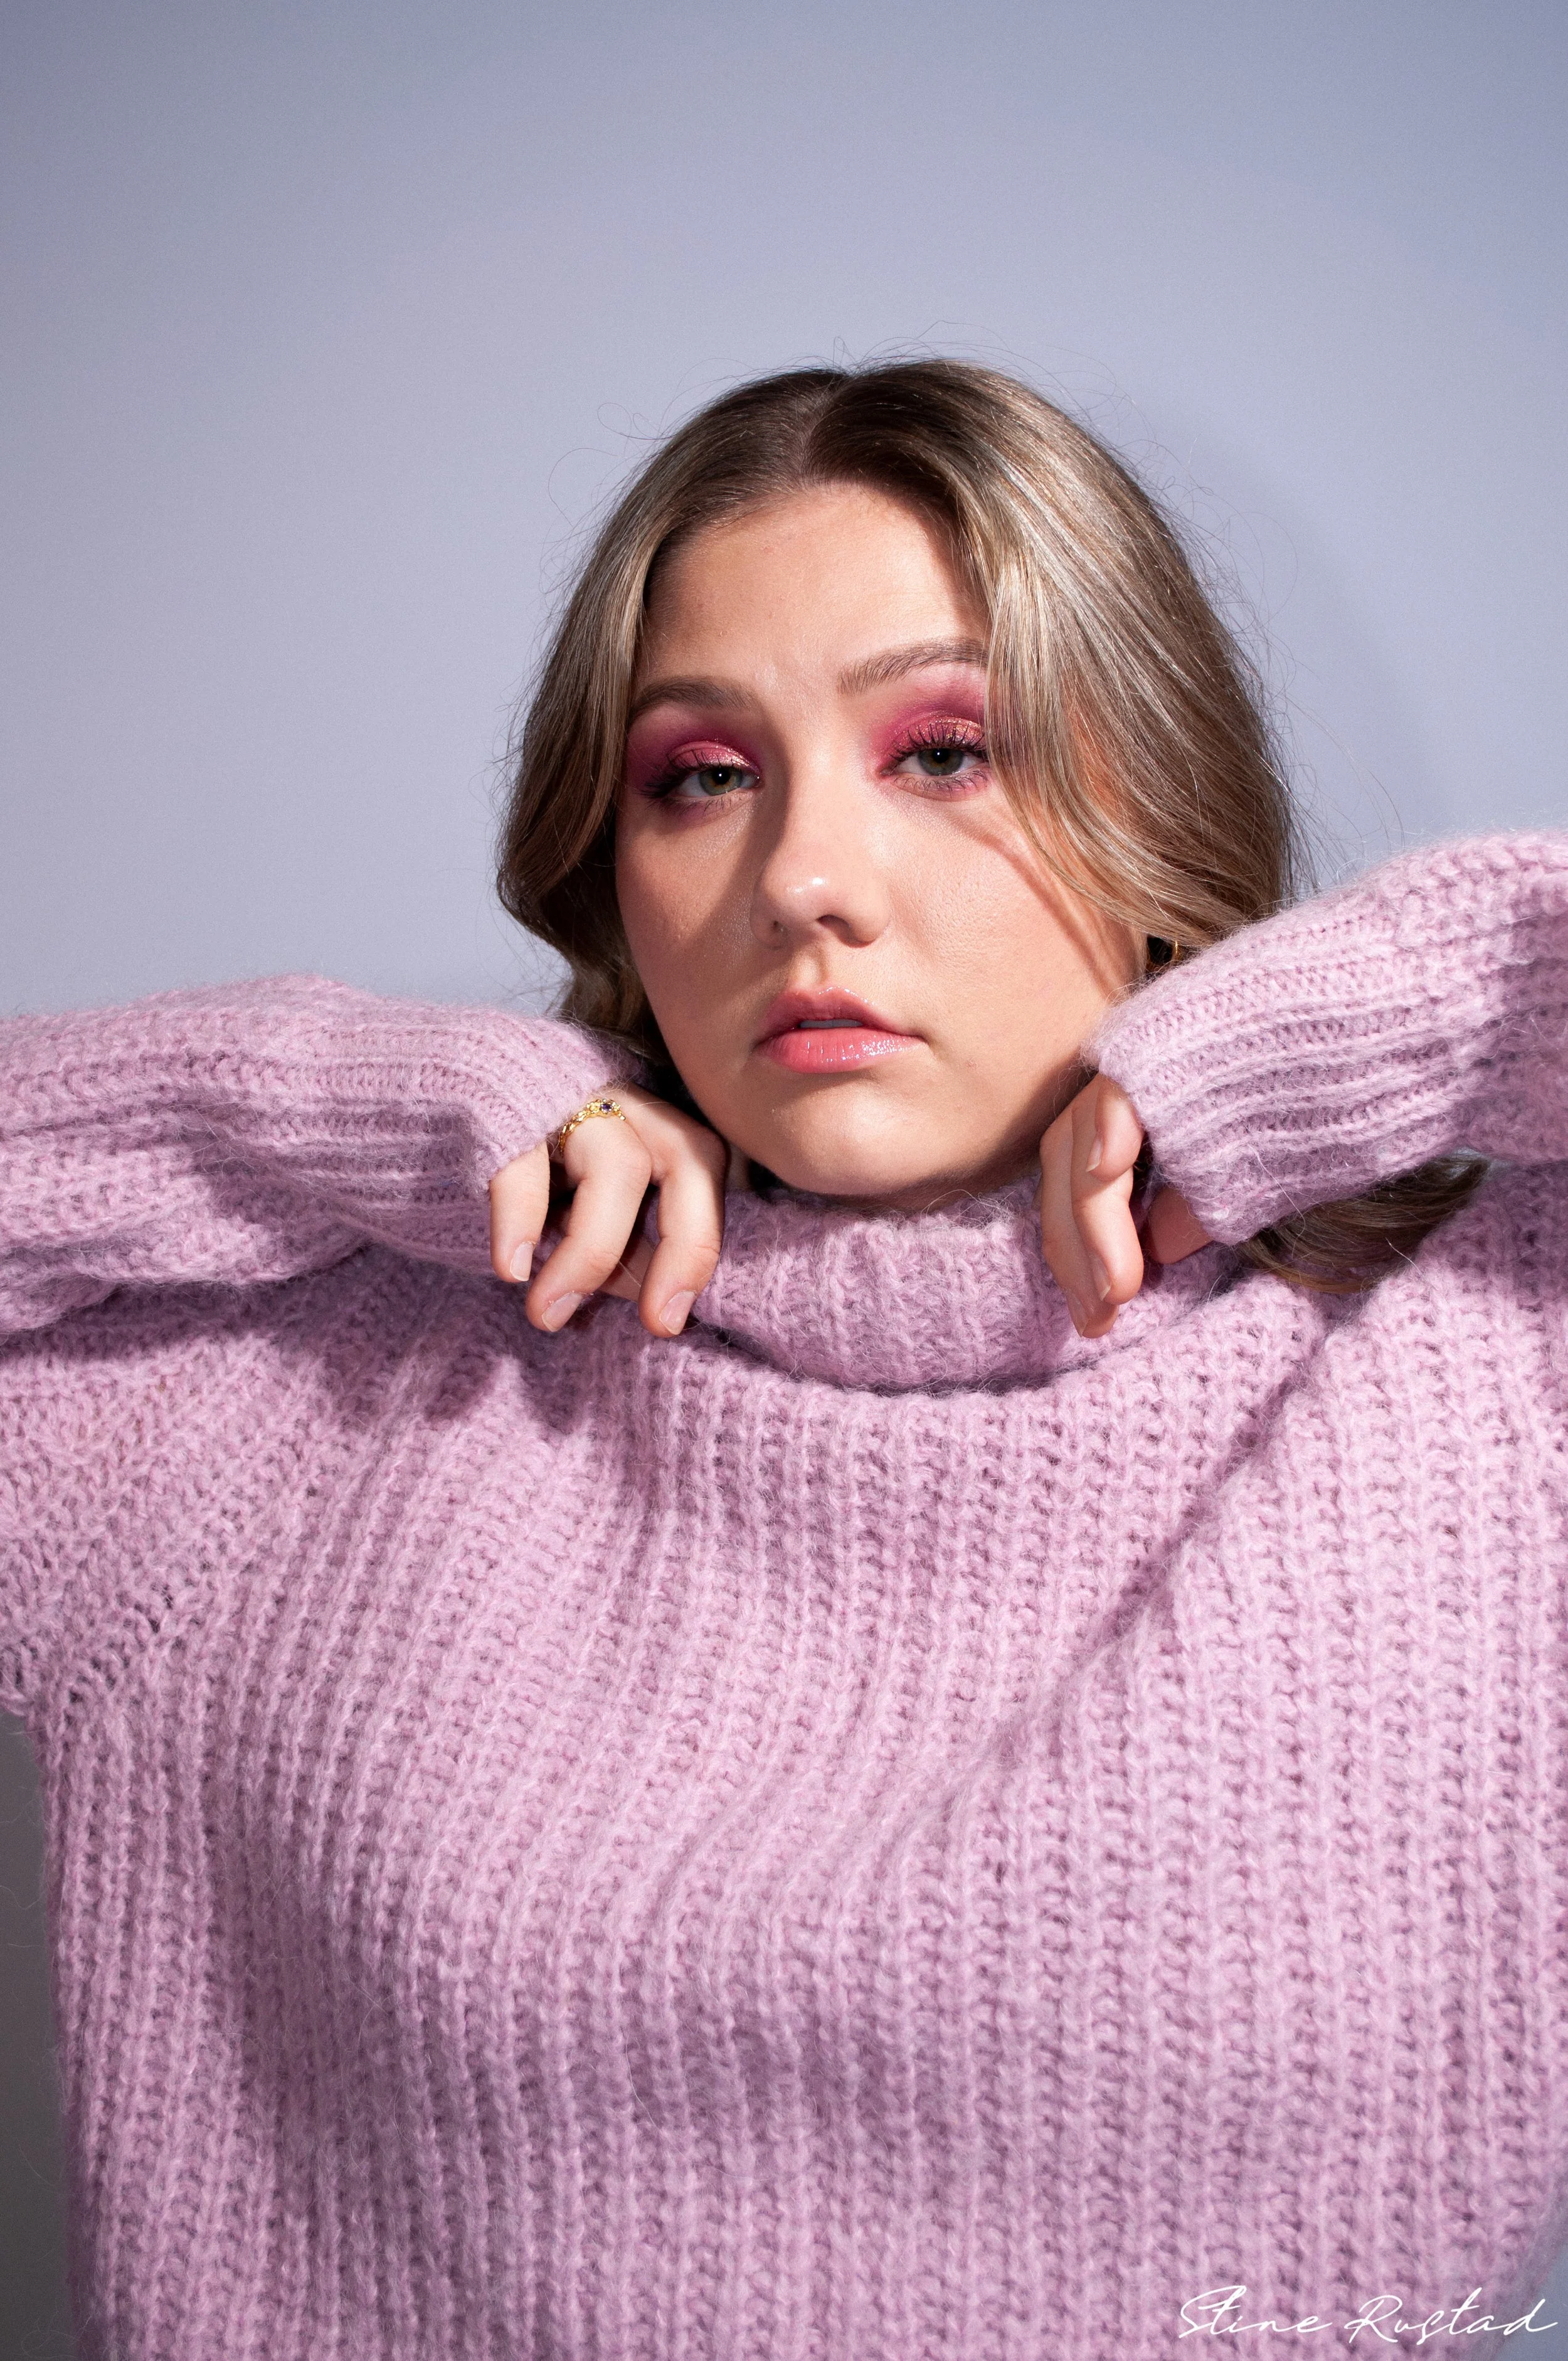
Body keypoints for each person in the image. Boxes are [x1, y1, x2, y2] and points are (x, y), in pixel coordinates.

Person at [1, 358, 1564, 2361]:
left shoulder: (1478, 1386)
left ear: (1156, 789)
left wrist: (1333, 1036)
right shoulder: (297, 1413)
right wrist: (352, 1108)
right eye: (700, 776)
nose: (802, 880)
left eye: (946, 750)